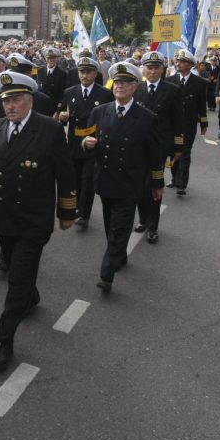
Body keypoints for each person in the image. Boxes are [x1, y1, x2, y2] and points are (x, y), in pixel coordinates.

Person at [0, 71, 76, 371]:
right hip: (4, 217)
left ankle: (4, 342)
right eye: (6, 100)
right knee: (16, 270)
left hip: (34, 220)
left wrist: (67, 211)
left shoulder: (48, 129)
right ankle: (30, 296)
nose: (10, 106)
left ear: (30, 100)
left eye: (17, 100)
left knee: (17, 279)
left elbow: (65, 172)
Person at [82, 62, 163, 292]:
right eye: (117, 82)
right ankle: (119, 255)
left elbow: (155, 155)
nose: (120, 86)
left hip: (130, 183)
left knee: (119, 227)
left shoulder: (147, 117)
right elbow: (85, 141)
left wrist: (157, 182)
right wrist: (86, 144)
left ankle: (107, 272)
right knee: (111, 226)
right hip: (105, 180)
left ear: (135, 87)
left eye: (126, 82)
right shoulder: (100, 111)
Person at [132, 52, 182, 244]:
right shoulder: (136, 89)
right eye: (149, 68)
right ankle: (143, 219)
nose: (152, 71)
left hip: (159, 147)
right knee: (139, 186)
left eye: (156, 68)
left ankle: (153, 226)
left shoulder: (172, 90)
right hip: (138, 146)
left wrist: (178, 146)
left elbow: (178, 120)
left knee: (154, 185)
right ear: (143, 69)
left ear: (162, 69)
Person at [58, 56, 113, 228]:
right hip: (74, 141)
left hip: (93, 141)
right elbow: (64, 115)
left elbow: (108, 117)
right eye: (82, 71)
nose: (85, 75)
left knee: (88, 179)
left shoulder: (104, 93)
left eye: (89, 72)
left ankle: (84, 213)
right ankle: (75, 207)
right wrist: (63, 117)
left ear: (95, 73)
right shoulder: (70, 92)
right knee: (75, 178)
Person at [165, 49, 208, 196]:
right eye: (177, 61)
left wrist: (203, 123)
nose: (178, 64)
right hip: (172, 126)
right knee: (173, 153)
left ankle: (182, 183)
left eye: (182, 62)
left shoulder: (199, 83)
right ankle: (174, 178)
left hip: (188, 126)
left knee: (185, 154)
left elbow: (202, 105)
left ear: (190, 65)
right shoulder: (169, 81)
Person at [37, 47, 67, 111]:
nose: (50, 60)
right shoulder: (40, 71)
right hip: (42, 106)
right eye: (48, 58)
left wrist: (58, 110)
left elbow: (63, 94)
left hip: (54, 107)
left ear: (56, 59)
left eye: (53, 58)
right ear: (45, 59)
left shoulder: (62, 73)